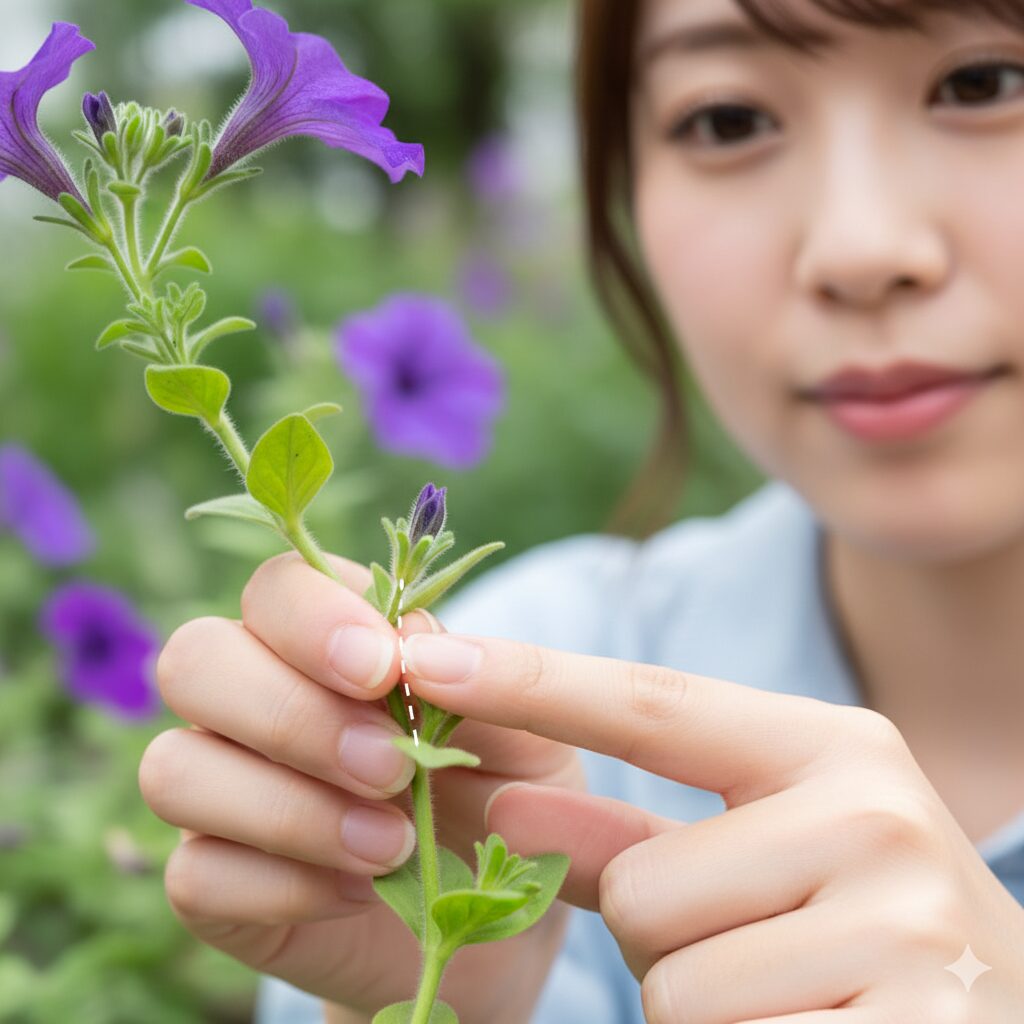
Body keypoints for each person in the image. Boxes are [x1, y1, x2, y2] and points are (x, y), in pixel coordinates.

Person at [139, 0, 1024, 1020]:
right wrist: (453, 987)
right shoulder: (509, 688)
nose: (859, 249)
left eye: (984, 83)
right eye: (728, 118)